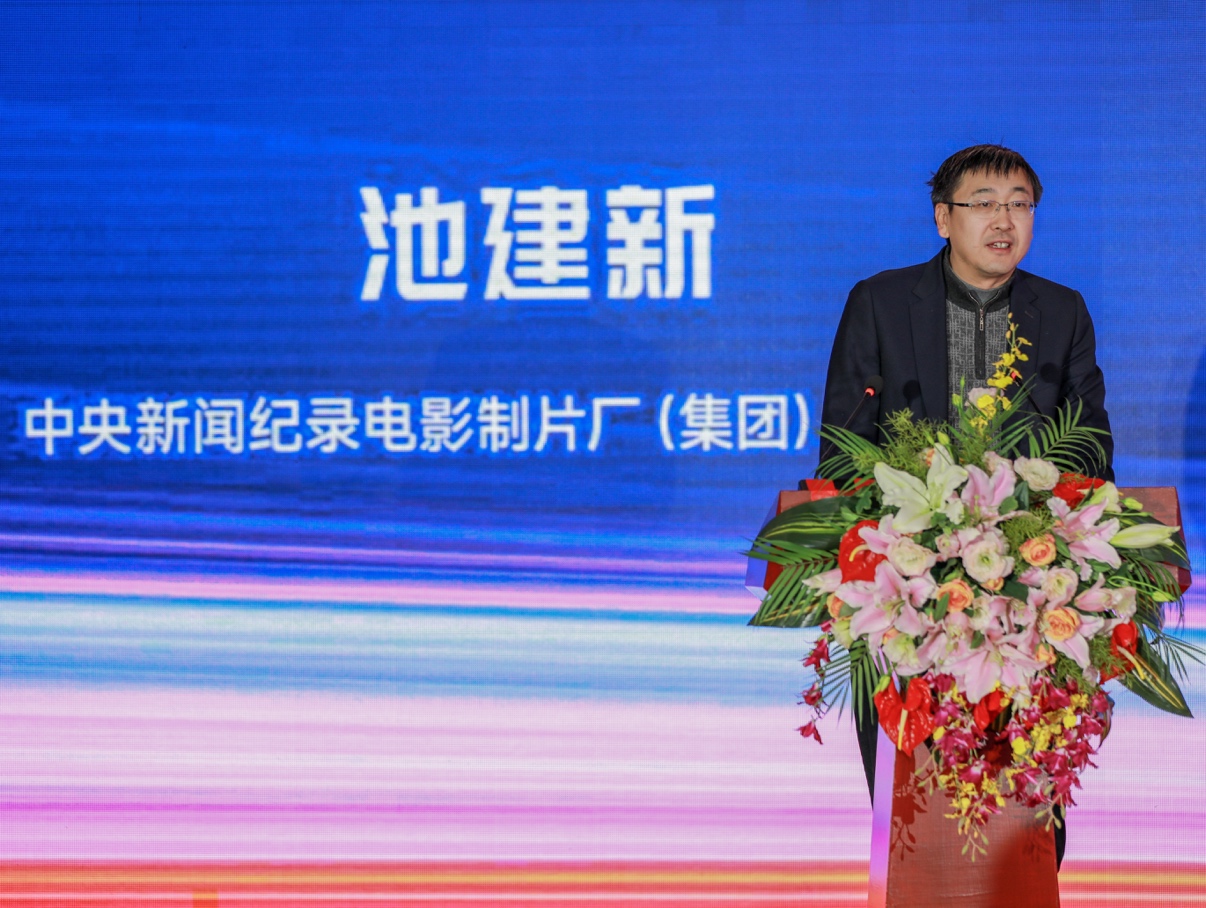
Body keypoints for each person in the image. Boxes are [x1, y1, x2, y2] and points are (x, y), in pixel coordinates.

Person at [819, 144, 1114, 868]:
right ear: (943, 218)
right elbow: (843, 449)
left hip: (1030, 597)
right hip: (908, 586)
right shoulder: (881, 303)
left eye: (1019, 204)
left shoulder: (1062, 311)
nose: (1003, 220)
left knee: (1026, 813)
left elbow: (1091, 447)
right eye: (983, 204)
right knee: (917, 815)